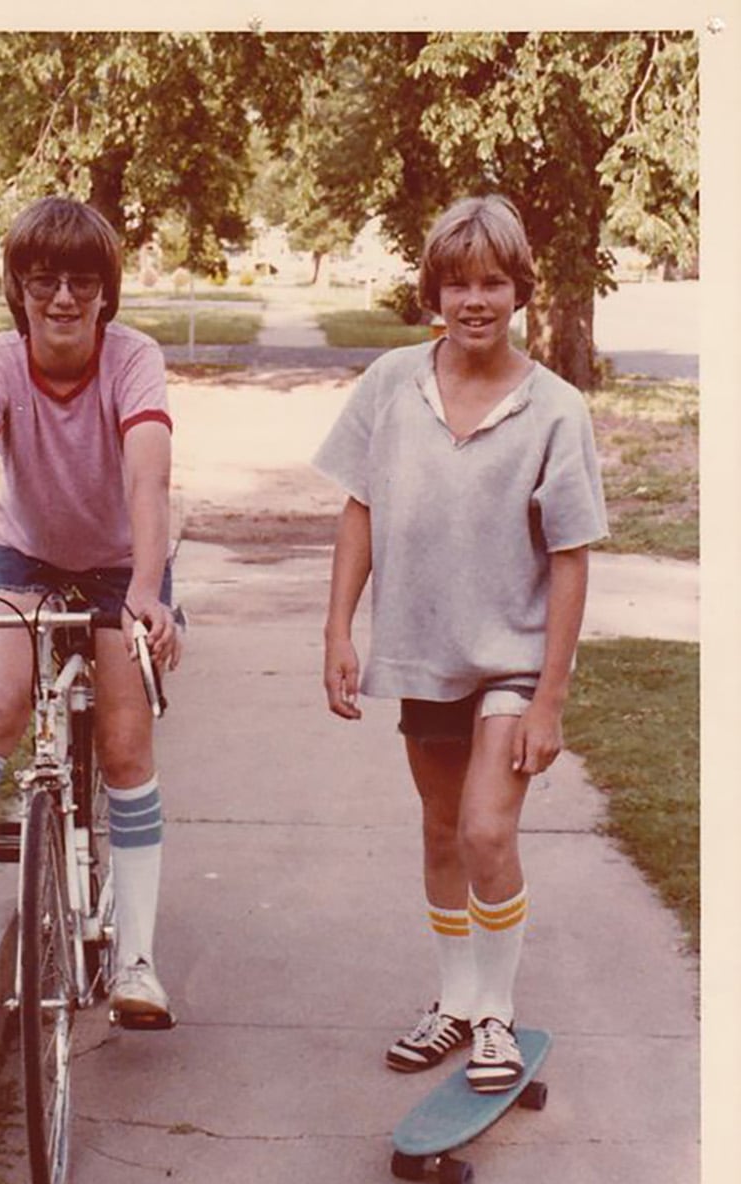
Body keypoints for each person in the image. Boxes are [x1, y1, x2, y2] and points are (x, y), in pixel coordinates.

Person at [314, 195, 608, 1093]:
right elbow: (359, 506)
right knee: (441, 832)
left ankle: (496, 1016)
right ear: (432, 288)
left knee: (487, 829)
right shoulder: (391, 386)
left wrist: (551, 696)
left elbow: (569, 557)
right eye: (456, 281)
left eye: (491, 282)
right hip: (422, 651)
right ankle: (452, 999)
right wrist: (338, 628)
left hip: (513, 660)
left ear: (519, 291)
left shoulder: (555, 410)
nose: (473, 299)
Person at [0, 197, 182, 1024]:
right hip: (27, 555)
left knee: (125, 742)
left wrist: (149, 595)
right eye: (43, 280)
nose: (61, 298)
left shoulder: (133, 357)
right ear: (17, 288)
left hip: (126, 562)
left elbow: (147, 478)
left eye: (81, 282)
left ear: (105, 292)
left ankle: (139, 960)